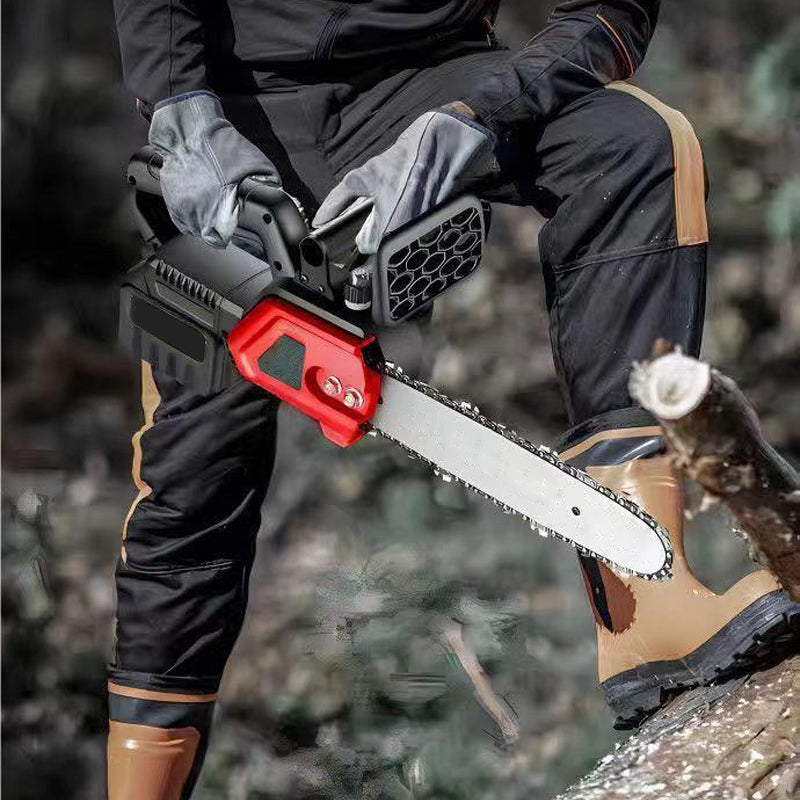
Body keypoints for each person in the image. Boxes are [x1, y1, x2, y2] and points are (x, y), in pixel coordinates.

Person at [108, 1, 799, 797]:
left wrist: (476, 118)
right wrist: (182, 110)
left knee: (636, 142)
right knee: (192, 484)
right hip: (237, 108)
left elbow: (610, 9)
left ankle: (644, 599)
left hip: (434, 79)